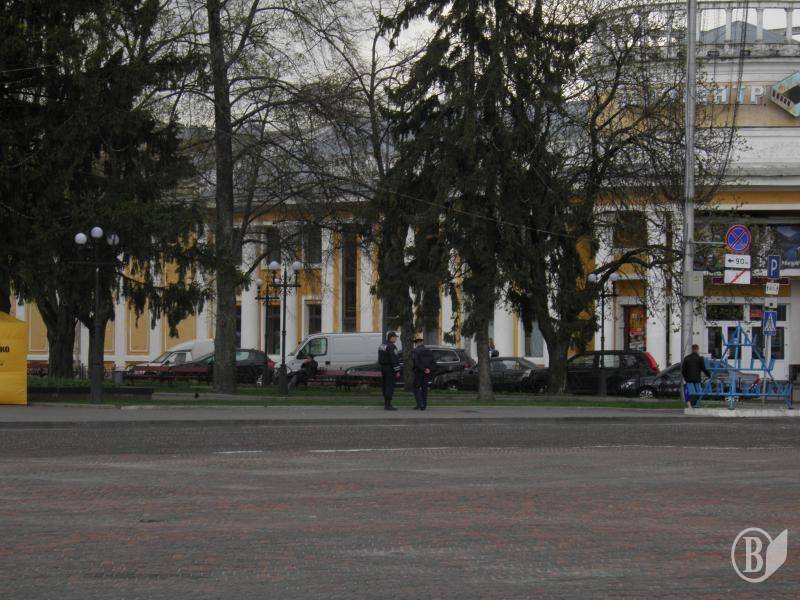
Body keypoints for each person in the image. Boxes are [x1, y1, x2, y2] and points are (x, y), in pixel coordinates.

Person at [378, 331, 401, 410]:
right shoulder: (392, 346)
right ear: (391, 337)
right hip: (390, 368)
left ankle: (386, 403)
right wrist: (397, 370)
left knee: (385, 386)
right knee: (389, 386)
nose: (396, 339)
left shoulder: (382, 345)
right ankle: (388, 405)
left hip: (383, 368)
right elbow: (394, 359)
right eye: (395, 337)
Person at [412, 336, 435, 410]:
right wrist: (429, 369)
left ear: (416, 343)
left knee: (416, 387)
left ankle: (420, 403)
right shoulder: (429, 350)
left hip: (419, 372)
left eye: (416, 343)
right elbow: (433, 362)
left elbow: (416, 362)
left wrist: (423, 369)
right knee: (424, 388)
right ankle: (424, 405)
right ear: (422, 342)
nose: (416, 344)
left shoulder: (416, 351)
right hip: (427, 373)